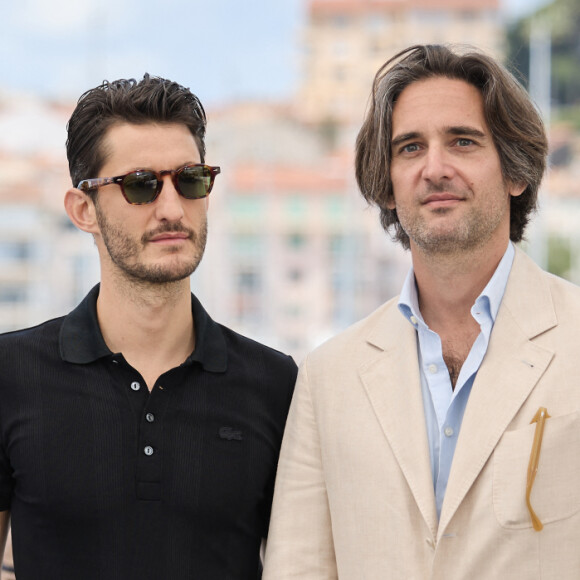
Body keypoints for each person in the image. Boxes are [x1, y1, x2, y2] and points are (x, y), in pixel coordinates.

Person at [263, 44, 580, 579]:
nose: (435, 168)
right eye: (410, 148)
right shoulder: (328, 378)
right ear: (387, 185)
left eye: (463, 141)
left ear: (515, 172)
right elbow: (298, 568)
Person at [0, 74, 297, 580]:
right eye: (141, 185)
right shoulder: (9, 374)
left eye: (191, 179)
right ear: (83, 209)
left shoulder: (276, 385)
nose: (172, 208)